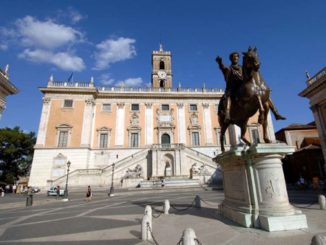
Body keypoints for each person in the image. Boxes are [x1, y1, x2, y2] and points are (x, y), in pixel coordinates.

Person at [216, 52, 243, 122]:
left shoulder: (242, 68)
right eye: (234, 57)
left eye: (237, 57)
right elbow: (223, 67)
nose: (236, 58)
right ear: (231, 59)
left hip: (242, 86)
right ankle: (227, 113)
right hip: (232, 88)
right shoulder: (229, 68)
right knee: (227, 96)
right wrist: (220, 63)